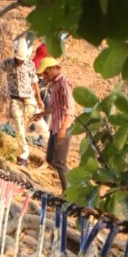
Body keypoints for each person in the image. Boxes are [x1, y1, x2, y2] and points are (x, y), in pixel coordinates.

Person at [1, 37, 49, 167]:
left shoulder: (30, 64)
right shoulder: (7, 63)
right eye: (17, 59)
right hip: (15, 100)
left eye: (21, 60)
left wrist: (39, 99)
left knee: (41, 124)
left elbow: (34, 82)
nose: (19, 62)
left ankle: (51, 148)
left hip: (29, 99)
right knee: (19, 129)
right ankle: (23, 155)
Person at [38, 57, 75, 193]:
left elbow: (70, 109)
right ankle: (71, 186)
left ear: (54, 69)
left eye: (46, 73)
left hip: (63, 127)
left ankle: (70, 191)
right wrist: (43, 113)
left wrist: (64, 129)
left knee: (60, 162)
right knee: (50, 159)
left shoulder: (64, 83)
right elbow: (57, 107)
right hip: (55, 126)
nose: (45, 76)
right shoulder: (54, 84)